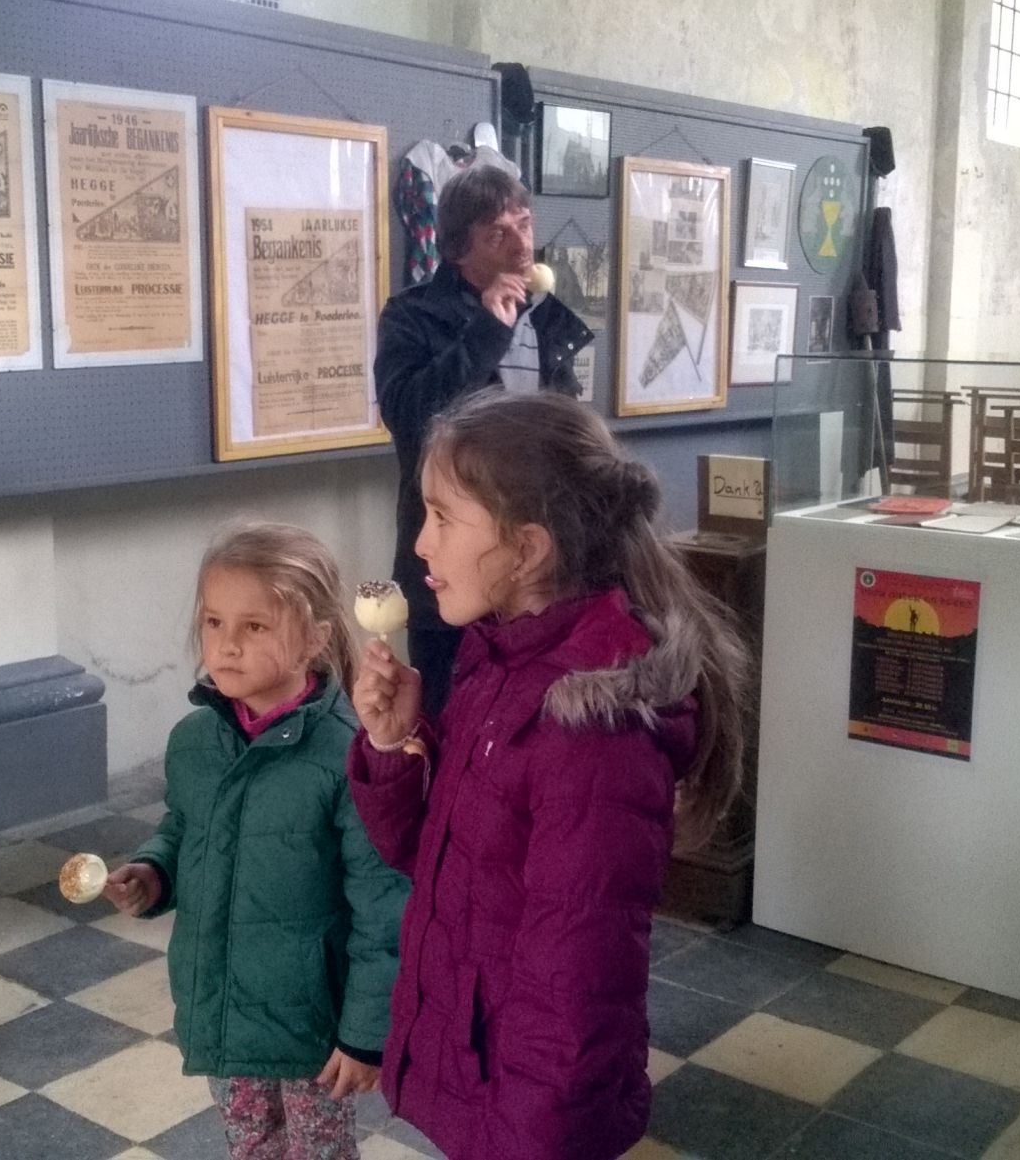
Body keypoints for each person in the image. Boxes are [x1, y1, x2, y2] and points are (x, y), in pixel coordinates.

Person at [347, 390, 750, 1159]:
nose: (420, 544)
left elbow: (576, 983)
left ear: (528, 548)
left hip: (528, 1113)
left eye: (442, 517)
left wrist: (525, 1142)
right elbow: (434, 860)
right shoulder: (500, 661)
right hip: (481, 1075)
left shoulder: (588, 724)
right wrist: (396, 744)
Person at [101, 523, 408, 1159]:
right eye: (214, 622)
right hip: (222, 1006)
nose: (227, 645)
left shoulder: (350, 753)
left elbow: (383, 903)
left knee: (319, 1154)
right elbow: (185, 828)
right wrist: (155, 873)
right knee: (251, 1148)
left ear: (315, 638)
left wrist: (366, 1032)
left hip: (311, 1026)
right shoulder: (194, 742)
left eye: (255, 626)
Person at [374, 165, 593, 715]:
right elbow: (410, 417)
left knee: (531, 723)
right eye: (498, 234)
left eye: (525, 223)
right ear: (458, 250)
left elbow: (565, 438)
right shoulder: (412, 316)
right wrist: (486, 334)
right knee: (449, 723)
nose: (522, 245)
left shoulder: (545, 319)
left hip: (539, 566)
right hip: (453, 571)